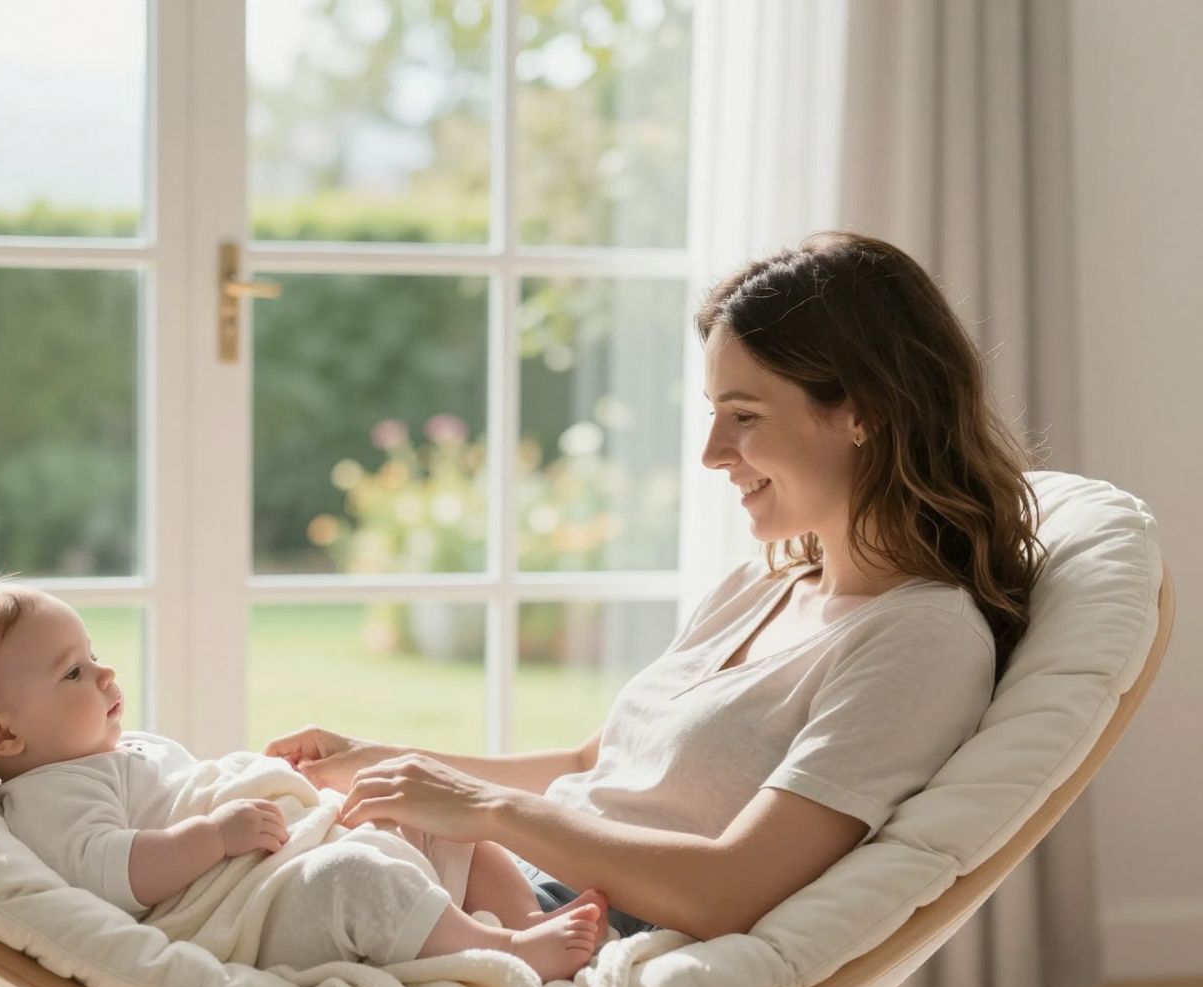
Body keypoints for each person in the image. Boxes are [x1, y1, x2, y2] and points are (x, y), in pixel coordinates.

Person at [266, 230, 1047, 943]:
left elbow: (729, 890)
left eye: (743, 415)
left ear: (864, 412)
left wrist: (479, 810)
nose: (712, 452)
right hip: (505, 875)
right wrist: (385, 761)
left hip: (557, 930)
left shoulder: (920, 642)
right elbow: (585, 769)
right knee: (238, 815)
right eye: (715, 413)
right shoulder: (764, 585)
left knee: (250, 876)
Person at [0, 582, 611, 981]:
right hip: (247, 920)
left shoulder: (109, 750)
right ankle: (507, 959)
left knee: (429, 808)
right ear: (1, 735)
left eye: (94, 654)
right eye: (72, 672)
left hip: (285, 860)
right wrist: (213, 833)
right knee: (357, 877)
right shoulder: (50, 795)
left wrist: (282, 795)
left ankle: (523, 924)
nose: (104, 672)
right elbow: (108, 872)